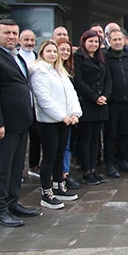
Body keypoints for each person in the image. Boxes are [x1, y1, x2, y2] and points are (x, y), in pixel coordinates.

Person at [0, 19, 38, 227]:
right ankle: (1, 210)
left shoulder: (13, 56)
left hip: (20, 123)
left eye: (14, 33)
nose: (11, 37)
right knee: (2, 169)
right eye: (7, 33)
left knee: (15, 168)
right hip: (3, 126)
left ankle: (13, 203)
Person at [29, 40, 81, 209]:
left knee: (60, 154)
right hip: (49, 122)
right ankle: (46, 192)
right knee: (49, 157)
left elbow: (71, 94)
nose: (52, 54)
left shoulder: (60, 71)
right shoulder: (39, 71)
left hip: (65, 120)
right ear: (42, 52)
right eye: (49, 51)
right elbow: (43, 99)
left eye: (54, 51)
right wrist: (62, 116)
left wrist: (74, 113)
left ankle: (59, 186)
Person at [73, 29, 112, 186]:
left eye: (96, 41)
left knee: (96, 140)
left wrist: (105, 96)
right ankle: (86, 171)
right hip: (87, 103)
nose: (94, 44)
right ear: (84, 42)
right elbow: (79, 81)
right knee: (86, 139)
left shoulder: (100, 58)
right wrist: (94, 97)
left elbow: (108, 79)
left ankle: (94, 170)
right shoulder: (78, 57)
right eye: (91, 41)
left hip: (101, 104)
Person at [104, 29, 128, 177]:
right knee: (110, 134)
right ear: (110, 41)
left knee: (125, 133)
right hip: (112, 103)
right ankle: (110, 164)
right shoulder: (106, 59)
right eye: (114, 40)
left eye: (120, 39)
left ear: (124, 40)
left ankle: (124, 161)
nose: (118, 42)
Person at [56, 38, 80, 190]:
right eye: (62, 49)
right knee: (56, 147)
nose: (65, 52)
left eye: (67, 50)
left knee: (66, 146)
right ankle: (58, 176)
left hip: (70, 113)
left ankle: (64, 173)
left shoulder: (70, 67)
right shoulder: (50, 69)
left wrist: (74, 113)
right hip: (55, 114)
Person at [18, 29, 41, 178]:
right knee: (18, 142)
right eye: (26, 40)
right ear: (20, 41)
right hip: (20, 105)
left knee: (36, 138)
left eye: (32, 40)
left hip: (35, 104)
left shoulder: (38, 57)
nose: (30, 43)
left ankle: (34, 166)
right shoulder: (15, 57)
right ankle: (17, 172)